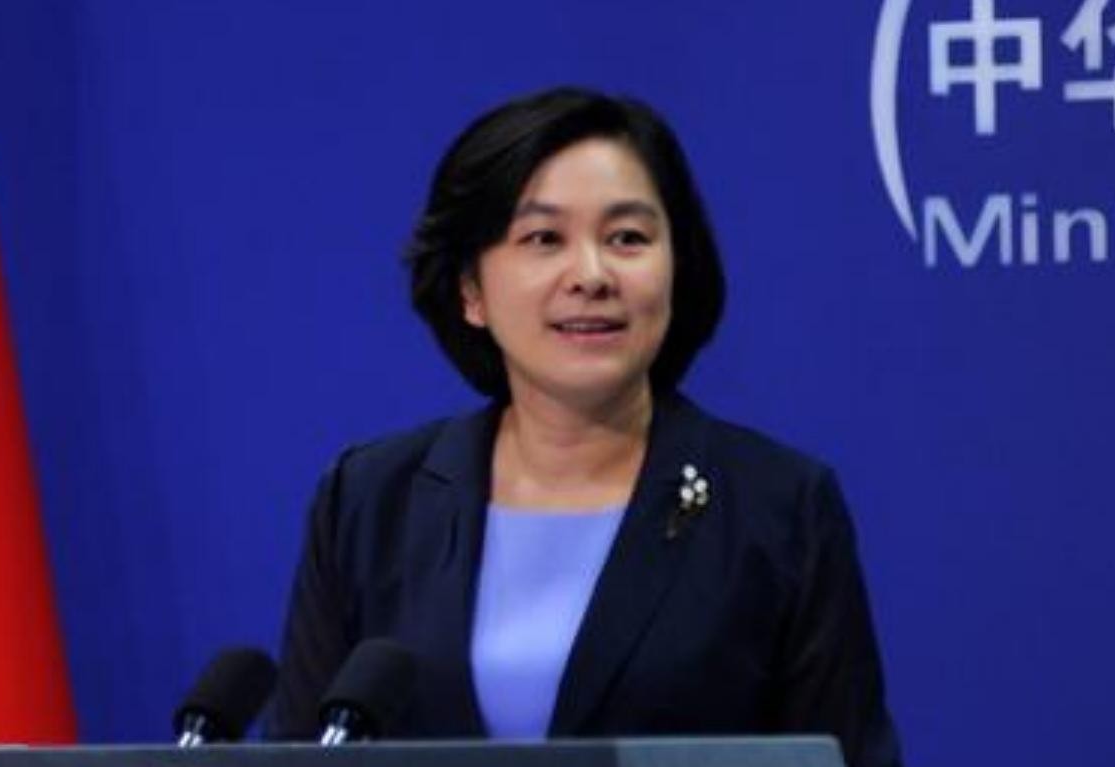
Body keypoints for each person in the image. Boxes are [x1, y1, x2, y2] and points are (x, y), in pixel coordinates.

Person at [266, 87, 903, 767]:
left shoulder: (778, 507)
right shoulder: (369, 500)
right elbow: (299, 750)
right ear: (471, 290)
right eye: (543, 239)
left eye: (627, 238)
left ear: (676, 268)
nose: (592, 275)